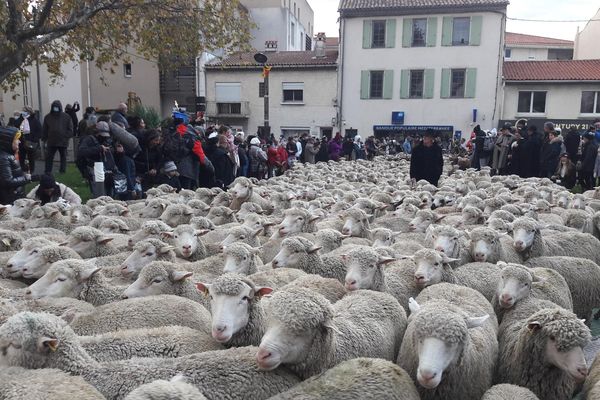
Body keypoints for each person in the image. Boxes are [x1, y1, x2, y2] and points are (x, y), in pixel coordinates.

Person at [77, 121, 118, 198]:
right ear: (97, 132)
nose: (104, 137)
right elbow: (81, 152)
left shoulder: (107, 140)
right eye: (102, 135)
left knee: (110, 195)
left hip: (108, 171)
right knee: (99, 195)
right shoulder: (88, 139)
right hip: (94, 169)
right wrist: (99, 148)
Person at [0, 127, 31, 204]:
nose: (19, 142)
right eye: (16, 139)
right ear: (8, 142)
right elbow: (8, 181)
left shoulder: (8, 155)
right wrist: (26, 178)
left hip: (14, 196)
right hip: (11, 199)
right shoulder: (4, 158)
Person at [42, 100, 73, 174]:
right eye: (54, 107)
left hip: (62, 141)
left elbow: (70, 129)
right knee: (49, 157)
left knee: (63, 157)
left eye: (57, 107)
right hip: (51, 141)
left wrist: (65, 136)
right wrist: (44, 139)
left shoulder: (66, 117)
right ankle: (48, 171)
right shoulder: (48, 117)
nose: (55, 108)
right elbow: (45, 129)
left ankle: (62, 171)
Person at [15, 106, 42, 174]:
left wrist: (35, 139)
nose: (23, 112)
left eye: (25, 111)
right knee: (21, 157)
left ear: (29, 112)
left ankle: (31, 171)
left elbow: (40, 131)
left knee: (31, 158)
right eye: (23, 111)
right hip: (21, 142)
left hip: (31, 142)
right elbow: (16, 126)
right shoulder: (20, 119)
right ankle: (23, 170)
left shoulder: (34, 120)